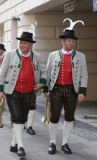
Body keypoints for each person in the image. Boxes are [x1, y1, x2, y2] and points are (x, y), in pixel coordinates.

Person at [0, 31, 47, 156]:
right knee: (16, 117)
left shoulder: (37, 56)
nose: (22, 45)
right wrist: (0, 90)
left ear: (31, 44)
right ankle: (21, 146)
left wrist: (42, 83)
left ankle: (14, 144)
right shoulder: (10, 54)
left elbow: (44, 72)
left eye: (25, 43)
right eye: (21, 42)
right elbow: (2, 73)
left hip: (29, 92)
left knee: (23, 119)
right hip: (13, 92)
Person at [43, 21, 88, 155]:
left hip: (72, 90)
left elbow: (84, 74)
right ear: (63, 41)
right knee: (54, 116)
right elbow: (48, 72)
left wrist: (82, 91)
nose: (71, 43)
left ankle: (65, 143)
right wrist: (46, 89)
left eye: (73, 41)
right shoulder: (53, 55)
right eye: (69, 41)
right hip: (56, 89)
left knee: (70, 116)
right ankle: (52, 143)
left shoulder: (81, 56)